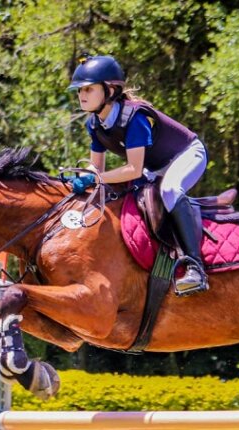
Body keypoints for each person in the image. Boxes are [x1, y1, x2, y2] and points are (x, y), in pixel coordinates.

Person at [68, 55, 209, 296]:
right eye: (80, 89)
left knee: (170, 190)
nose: (82, 94)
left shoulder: (134, 118)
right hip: (153, 166)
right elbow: (96, 169)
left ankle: (196, 267)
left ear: (109, 90)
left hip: (186, 154)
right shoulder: (94, 124)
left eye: (89, 89)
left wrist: (97, 178)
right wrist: (83, 178)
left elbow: (133, 169)